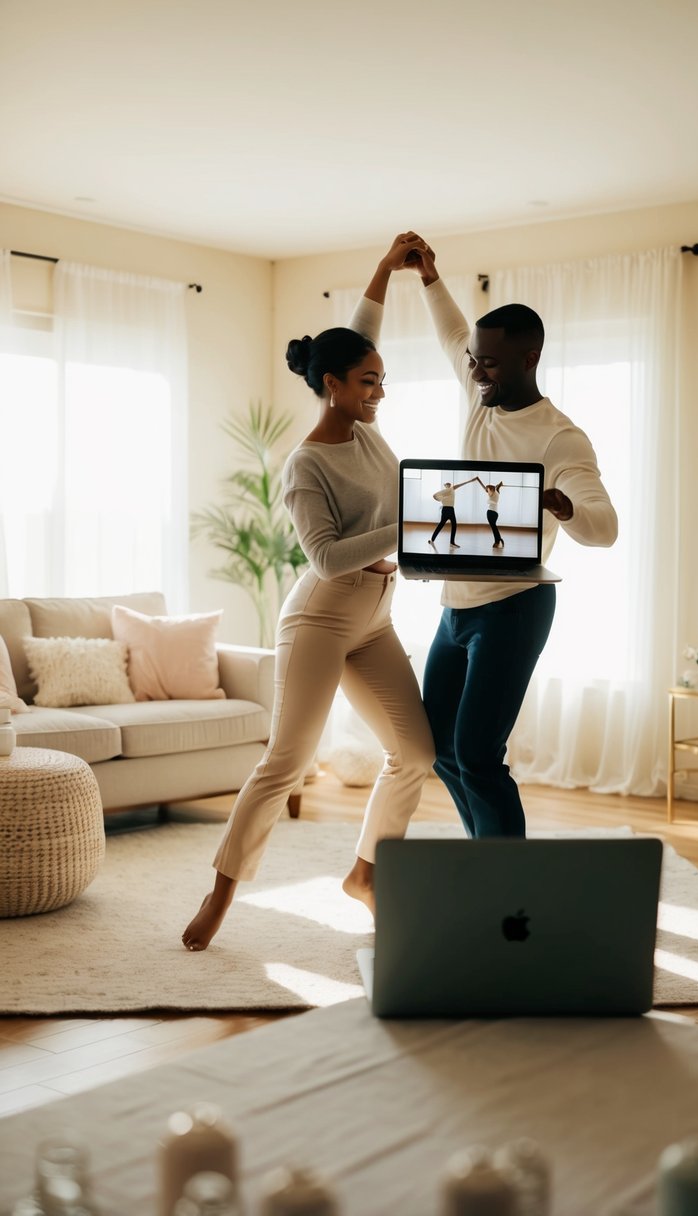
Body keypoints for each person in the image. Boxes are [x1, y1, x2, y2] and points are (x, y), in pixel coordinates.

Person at [182, 234, 435, 951]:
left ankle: (366, 874)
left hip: (377, 618)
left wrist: (387, 270)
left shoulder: (366, 429)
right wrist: (404, 528)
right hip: (322, 619)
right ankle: (220, 891)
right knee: (285, 762)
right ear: (332, 383)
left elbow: (364, 333)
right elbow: (324, 557)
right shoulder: (304, 465)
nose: (377, 392)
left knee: (414, 753)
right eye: (365, 382)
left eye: (381, 381)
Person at [396, 234, 618, 839]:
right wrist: (429, 277)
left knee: (476, 754)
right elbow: (451, 332)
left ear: (528, 358)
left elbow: (606, 528)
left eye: (488, 361)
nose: (474, 369)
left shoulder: (560, 439)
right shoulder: (479, 391)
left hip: (514, 608)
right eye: (474, 359)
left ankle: (511, 885)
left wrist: (561, 504)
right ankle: (485, 860)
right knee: (436, 747)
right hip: (456, 606)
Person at [429, 476, 477, 548]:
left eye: (449, 484)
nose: (448, 485)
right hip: (446, 510)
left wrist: (470, 481)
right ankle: (432, 540)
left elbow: (460, 485)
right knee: (441, 525)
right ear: (445, 486)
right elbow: (434, 495)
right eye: (446, 484)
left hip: (451, 510)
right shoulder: (444, 491)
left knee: (454, 525)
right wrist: (441, 499)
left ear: (450, 485)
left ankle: (452, 542)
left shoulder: (452, 490)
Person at [475, 476, 505, 547]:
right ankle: (499, 540)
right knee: (494, 527)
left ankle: (498, 541)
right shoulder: (497, 493)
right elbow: (497, 487)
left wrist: (488, 488)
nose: (487, 491)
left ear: (490, 489)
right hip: (495, 513)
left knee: (494, 528)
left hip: (491, 512)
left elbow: (490, 492)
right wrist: (499, 485)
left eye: (488, 489)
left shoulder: (492, 492)